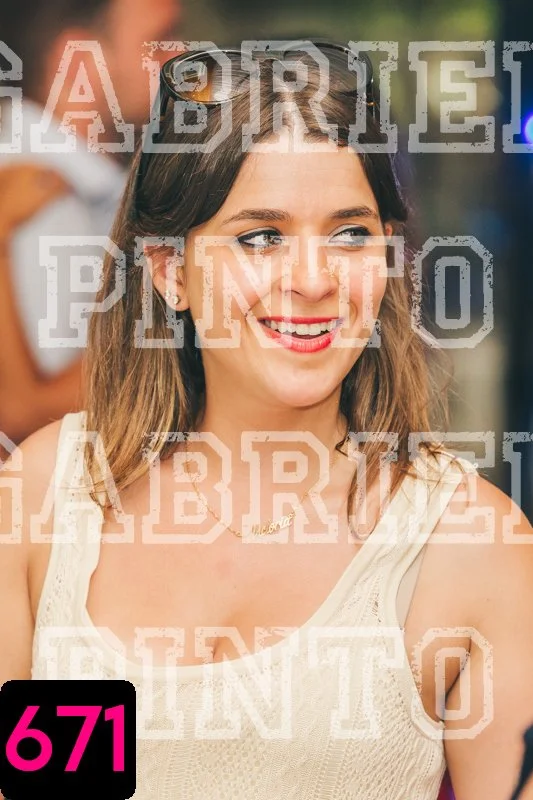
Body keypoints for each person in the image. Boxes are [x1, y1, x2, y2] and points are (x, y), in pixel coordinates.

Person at [1, 41, 533, 800]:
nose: (312, 281)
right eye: (260, 236)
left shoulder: (472, 546)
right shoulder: (45, 497)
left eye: (350, 233)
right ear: (170, 271)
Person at [0, 0, 182, 444]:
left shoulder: (81, 189)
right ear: (79, 61)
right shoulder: (46, 197)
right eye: (158, 41)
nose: (181, 56)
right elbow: (24, 423)